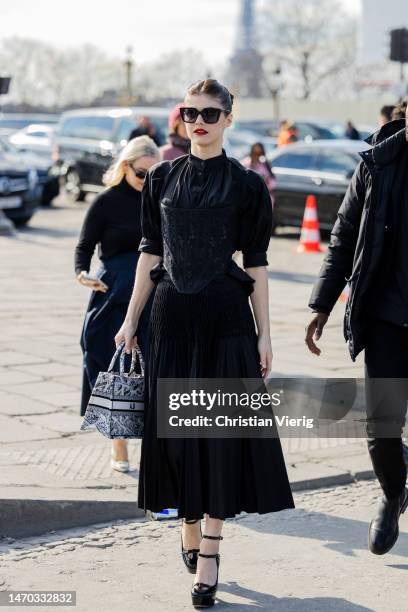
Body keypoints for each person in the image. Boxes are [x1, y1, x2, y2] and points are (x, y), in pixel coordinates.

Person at [115, 78, 294, 608]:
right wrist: (130, 321)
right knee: (177, 437)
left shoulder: (245, 185)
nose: (198, 120)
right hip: (169, 322)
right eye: (190, 111)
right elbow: (150, 253)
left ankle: (210, 554)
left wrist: (265, 333)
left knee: (217, 437)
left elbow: (257, 265)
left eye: (210, 114)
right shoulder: (162, 177)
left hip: (225, 323)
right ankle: (189, 528)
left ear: (228, 120)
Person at [305, 111, 408, 557]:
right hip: (386, 317)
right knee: (382, 426)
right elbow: (345, 235)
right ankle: (392, 494)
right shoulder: (379, 162)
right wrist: (321, 304)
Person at [75, 136, 160, 472]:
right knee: (113, 366)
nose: (147, 182)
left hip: (153, 290)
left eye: (155, 176)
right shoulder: (106, 202)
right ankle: (118, 443)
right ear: (126, 167)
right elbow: (83, 247)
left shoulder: (160, 200)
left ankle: (157, 445)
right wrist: (81, 274)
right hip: (112, 292)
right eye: (142, 174)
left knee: (154, 365)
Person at [241, 142, 277, 208]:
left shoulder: (265, 165)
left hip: (262, 200)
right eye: (255, 153)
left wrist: (267, 181)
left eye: (259, 154)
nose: (257, 156)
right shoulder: (245, 164)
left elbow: (273, 183)